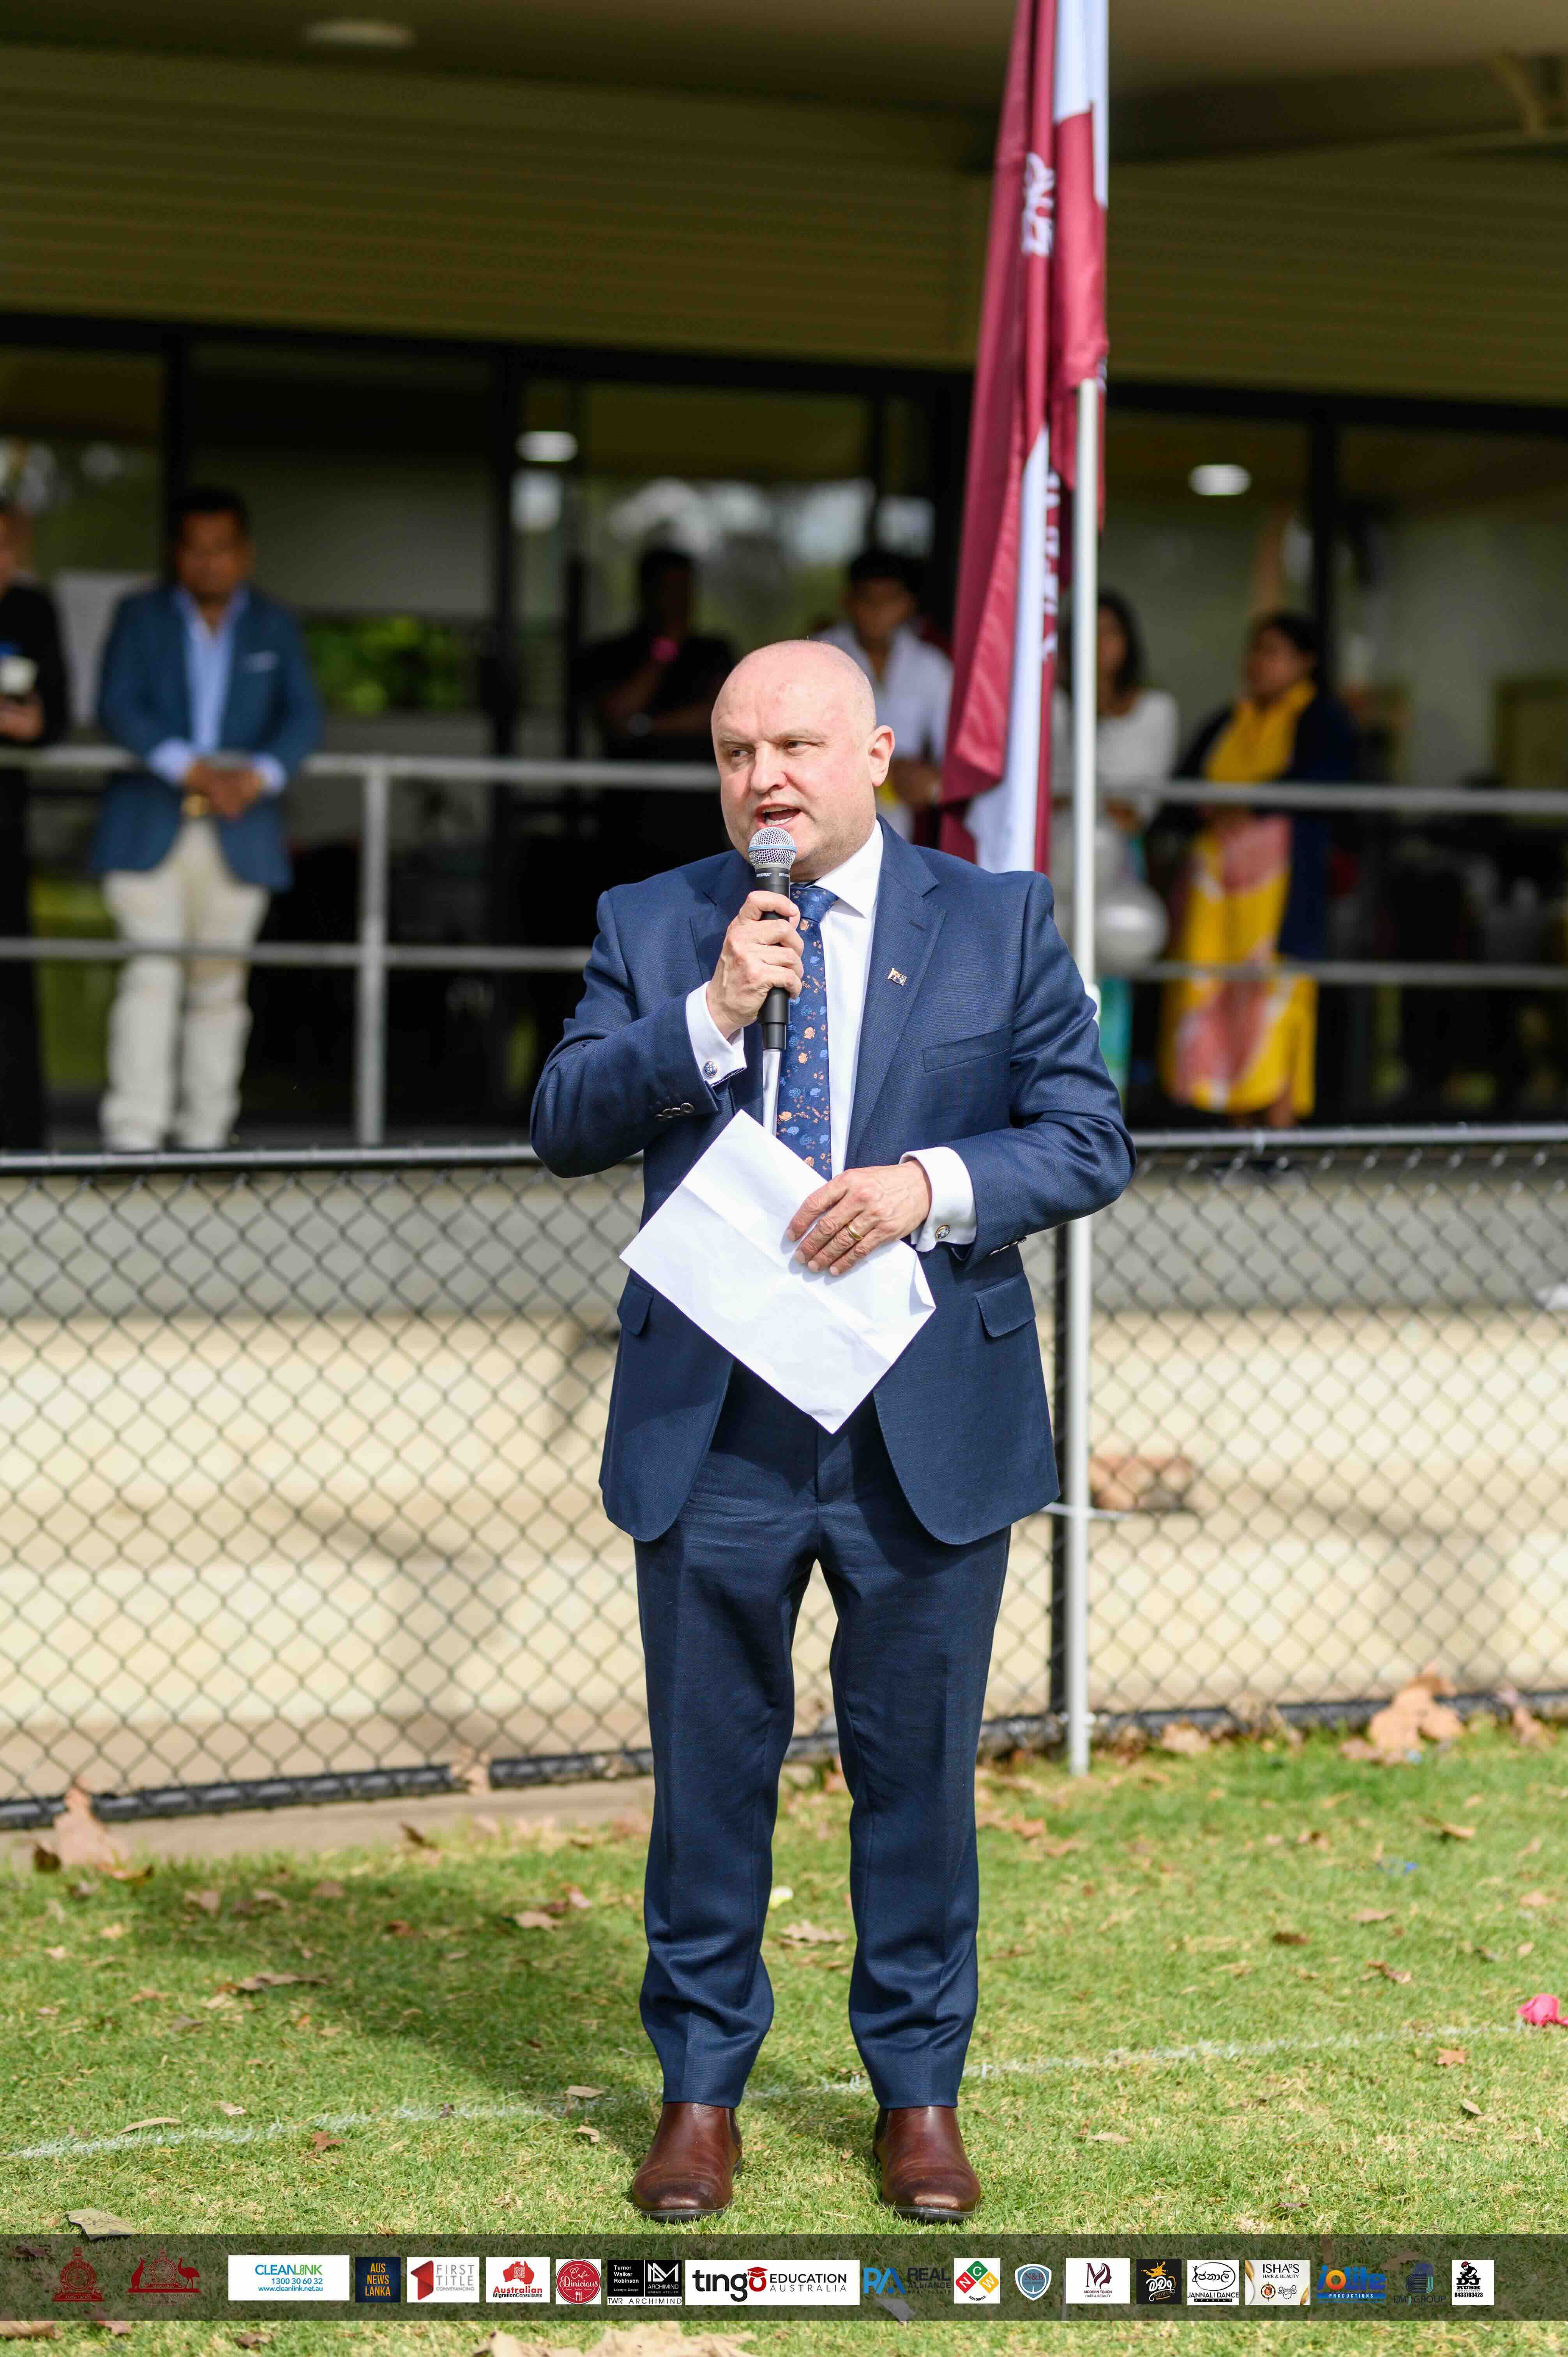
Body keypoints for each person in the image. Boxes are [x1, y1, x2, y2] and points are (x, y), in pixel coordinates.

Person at [531, 639, 1132, 2223]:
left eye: (794, 745)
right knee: (708, 1774)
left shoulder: (996, 919)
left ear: (877, 753)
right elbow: (563, 1118)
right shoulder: (658, 923)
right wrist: (708, 1016)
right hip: (715, 1426)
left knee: (914, 1777)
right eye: (733, 753)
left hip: (918, 1423)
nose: (763, 781)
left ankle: (917, 2097)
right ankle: (700, 2095)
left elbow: (1086, 1138)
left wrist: (925, 1190)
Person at [92, 486, 322, 1152]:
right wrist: (189, 768)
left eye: (221, 549)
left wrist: (257, 776)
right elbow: (118, 704)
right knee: (150, 973)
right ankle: (134, 1135)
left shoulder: (275, 624)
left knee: (220, 985)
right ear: (177, 555)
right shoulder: (139, 615)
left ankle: (206, 1135)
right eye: (195, 549)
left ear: (243, 555)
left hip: (241, 828)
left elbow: (303, 715)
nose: (208, 563)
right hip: (149, 821)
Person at [1158, 609, 1356, 1129]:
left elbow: (1329, 782)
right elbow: (1180, 788)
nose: (1256, 662)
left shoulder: (1322, 719)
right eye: (1255, 650)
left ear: (1305, 662)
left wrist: (1249, 807)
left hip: (1281, 900)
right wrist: (1210, 810)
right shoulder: (1229, 718)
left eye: (1271, 652)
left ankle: (1279, 1135)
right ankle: (1237, 1134)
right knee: (1224, 1007)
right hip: (1219, 903)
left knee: (1279, 1005)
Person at [1051, 589, 1178, 1097]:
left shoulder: (1155, 709)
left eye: (1110, 633)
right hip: (1058, 860)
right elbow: (1057, 791)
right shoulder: (1053, 706)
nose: (1099, 646)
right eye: (1088, 634)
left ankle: (1107, 1103)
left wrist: (1091, 797)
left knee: (1112, 979)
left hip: (1115, 864)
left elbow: (1137, 807)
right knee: (1055, 979)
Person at [576, 546, 735, 873]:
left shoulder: (713, 651)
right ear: (647, 592)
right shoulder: (612, 652)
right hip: (628, 814)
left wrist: (645, 726)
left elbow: (722, 717)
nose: (679, 600)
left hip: (697, 814)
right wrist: (665, 649)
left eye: (685, 589)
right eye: (669, 589)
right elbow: (616, 715)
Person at [0, 501, 71, 1150]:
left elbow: (60, 710)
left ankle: (19, 1138)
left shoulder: (33, 611)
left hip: (4, 827)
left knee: (11, 981)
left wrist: (33, 726)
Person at [816, 548, 951, 839]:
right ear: (849, 602)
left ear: (908, 604)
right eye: (868, 599)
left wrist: (928, 782)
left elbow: (950, 755)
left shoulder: (931, 666)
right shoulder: (819, 655)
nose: (878, 611)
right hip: (829, 809)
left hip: (904, 821)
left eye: (889, 600)